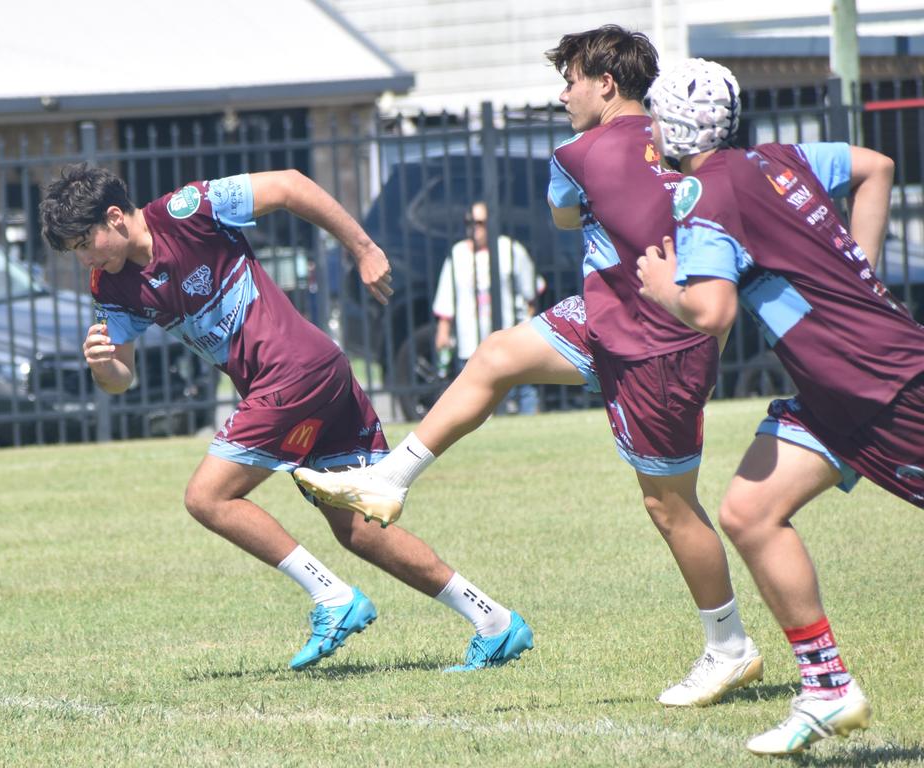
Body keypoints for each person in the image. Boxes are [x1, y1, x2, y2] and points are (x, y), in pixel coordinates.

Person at [296, 25, 763, 707]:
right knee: (496, 356)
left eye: (570, 79)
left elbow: (567, 217)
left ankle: (729, 647)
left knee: (670, 507)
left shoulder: (577, 153)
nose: (562, 93)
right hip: (610, 319)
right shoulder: (691, 146)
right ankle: (391, 480)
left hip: (654, 346)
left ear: (606, 83)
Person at [38, 164, 534, 673]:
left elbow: (291, 185)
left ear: (115, 217)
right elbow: (122, 377)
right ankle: (494, 622)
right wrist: (103, 364)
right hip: (318, 375)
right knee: (360, 530)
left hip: (291, 373)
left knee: (207, 497)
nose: (82, 259)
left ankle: (332, 598)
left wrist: (362, 248)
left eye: (83, 243)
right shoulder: (112, 285)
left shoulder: (190, 209)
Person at [638, 57, 921, 755]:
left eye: (654, 113)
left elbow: (712, 308)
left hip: (882, 385)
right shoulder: (778, 158)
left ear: (674, 124)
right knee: (748, 512)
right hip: (834, 390)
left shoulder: (702, 194)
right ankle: (828, 689)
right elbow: (877, 165)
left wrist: (664, 287)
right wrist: (860, 270)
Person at [433, 200, 539, 414]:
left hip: (509, 342)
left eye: (480, 222)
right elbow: (446, 297)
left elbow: (531, 292)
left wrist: (526, 324)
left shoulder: (509, 249)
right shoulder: (458, 254)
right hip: (470, 344)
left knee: (522, 393)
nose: (474, 227)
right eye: (469, 222)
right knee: (473, 405)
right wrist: (443, 331)